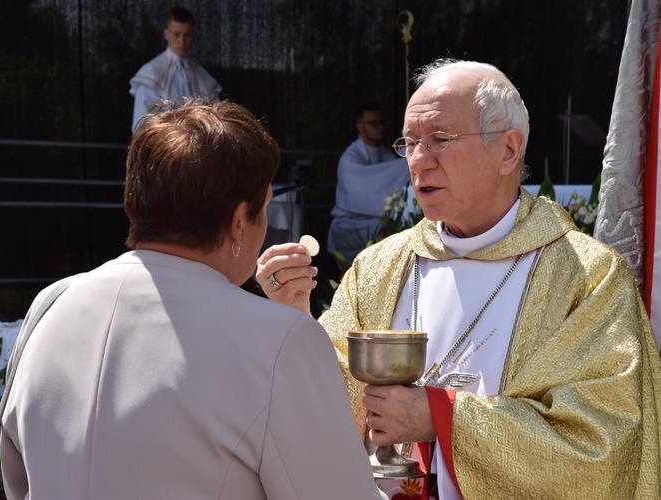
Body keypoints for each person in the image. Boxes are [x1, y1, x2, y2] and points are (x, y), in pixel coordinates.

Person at [256, 59, 661, 499]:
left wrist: (440, 417)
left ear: (508, 150)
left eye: (440, 140)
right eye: (409, 143)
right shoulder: (379, 268)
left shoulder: (588, 279)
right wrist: (294, 319)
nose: (418, 162)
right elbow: (329, 405)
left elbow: (602, 444)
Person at [0, 99, 386, 499]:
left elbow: (19, 480)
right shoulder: (281, 340)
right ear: (239, 222)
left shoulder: (49, 306)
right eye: (265, 207)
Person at [327, 101, 410, 270]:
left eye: (382, 122)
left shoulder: (386, 154)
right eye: (374, 123)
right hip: (349, 222)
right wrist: (406, 164)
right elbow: (361, 189)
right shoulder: (349, 158)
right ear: (360, 126)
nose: (380, 127)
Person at [129, 6, 221, 132]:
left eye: (187, 35)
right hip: (164, 146)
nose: (182, 41)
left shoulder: (201, 75)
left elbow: (215, 120)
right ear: (166, 34)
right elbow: (141, 125)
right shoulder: (151, 73)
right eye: (176, 34)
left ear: (193, 36)